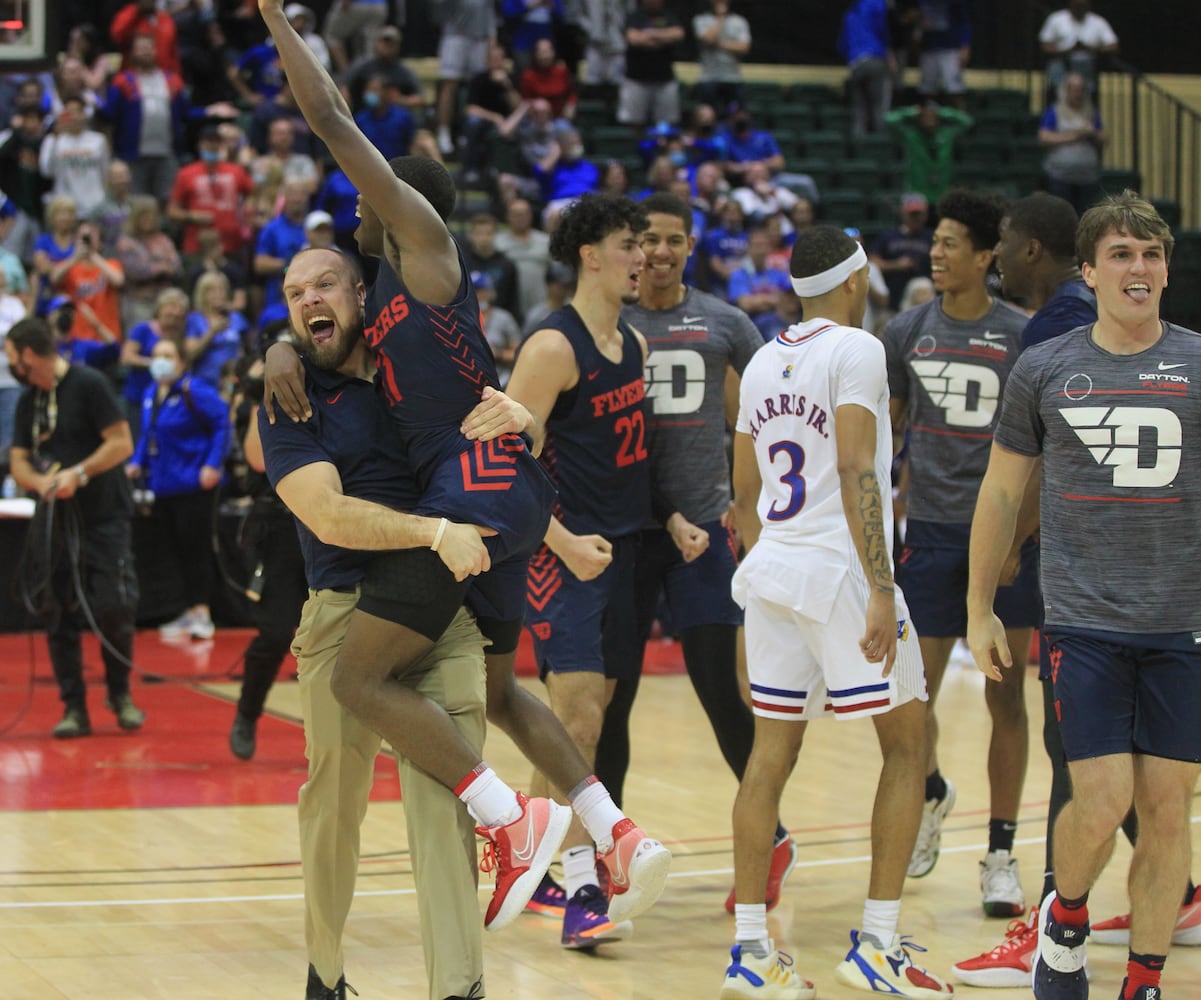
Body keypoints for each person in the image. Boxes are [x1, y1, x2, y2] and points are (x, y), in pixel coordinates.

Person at [258, 0, 670, 940]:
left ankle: (509, 822)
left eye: (367, 201)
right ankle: (615, 831)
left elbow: (328, 119)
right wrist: (272, 347)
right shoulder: (393, 295)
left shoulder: (424, 253)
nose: (355, 210)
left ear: (396, 208)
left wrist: (280, 23)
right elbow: (345, 351)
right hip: (505, 492)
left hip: (472, 495)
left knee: (360, 682)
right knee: (493, 690)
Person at [950, 193, 1201, 987]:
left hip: (1182, 626)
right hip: (1084, 622)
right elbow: (996, 495)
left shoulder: (1197, 364)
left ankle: (1144, 977)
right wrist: (979, 606)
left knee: (1166, 810)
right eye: (1121, 255)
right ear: (1087, 271)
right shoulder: (1046, 367)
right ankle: (1064, 918)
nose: (1139, 268)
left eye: (1151, 254)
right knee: (1100, 798)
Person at [720, 225, 949, 999]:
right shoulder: (857, 349)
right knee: (909, 745)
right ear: (854, 282)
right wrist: (881, 588)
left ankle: (752, 953)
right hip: (841, 572)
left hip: (773, 570)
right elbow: (856, 466)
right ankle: (877, 946)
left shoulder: (758, 359)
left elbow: (743, 495)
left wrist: (758, 567)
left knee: (767, 761)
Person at [258, 250, 494, 999]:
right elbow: (325, 515)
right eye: (294, 293)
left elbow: (501, 456)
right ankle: (325, 975)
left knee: (446, 804)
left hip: (435, 612)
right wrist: (430, 531)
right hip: (343, 615)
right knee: (333, 805)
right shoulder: (286, 397)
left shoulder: (415, 368)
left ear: (363, 292)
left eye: (323, 284)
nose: (308, 300)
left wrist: (520, 415)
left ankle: (460, 988)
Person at [593, 193, 799, 914]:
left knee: (719, 690)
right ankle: (608, 852)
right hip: (626, 530)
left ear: (689, 246)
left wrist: (758, 500)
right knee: (613, 695)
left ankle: (770, 836)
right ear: (629, 246)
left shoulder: (724, 321)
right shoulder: (604, 321)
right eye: (645, 239)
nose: (657, 251)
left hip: (704, 536)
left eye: (672, 240)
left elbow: (781, 390)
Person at [504, 192, 672, 948]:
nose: (643, 257)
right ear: (589, 256)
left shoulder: (630, 344)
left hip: (626, 554)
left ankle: (536, 861)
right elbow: (497, 471)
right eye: (628, 244)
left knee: (587, 723)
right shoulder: (551, 349)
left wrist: (669, 519)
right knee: (574, 720)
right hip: (561, 557)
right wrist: (563, 540)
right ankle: (579, 895)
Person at [882, 189, 1033, 914]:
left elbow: (1041, 448)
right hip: (933, 533)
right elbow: (886, 433)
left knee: (1007, 697)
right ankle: (931, 788)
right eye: (933, 243)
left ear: (984, 256)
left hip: (1003, 539)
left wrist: (1019, 536)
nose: (935, 254)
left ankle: (1000, 851)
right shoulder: (906, 330)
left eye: (949, 244)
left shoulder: (1023, 335)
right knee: (913, 694)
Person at [6, 317, 143, 738]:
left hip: (103, 514)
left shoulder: (89, 384)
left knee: (114, 605)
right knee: (56, 608)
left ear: (30, 355)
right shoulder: (30, 399)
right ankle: (73, 706)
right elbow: (18, 461)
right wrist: (40, 481)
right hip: (56, 518)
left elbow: (121, 443)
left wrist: (78, 475)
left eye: (12, 357)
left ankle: (119, 694)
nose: (10, 365)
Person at [127, 338, 229, 641]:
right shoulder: (150, 393)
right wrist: (136, 462)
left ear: (181, 362)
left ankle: (203, 612)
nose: (161, 360)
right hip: (164, 486)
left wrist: (212, 464)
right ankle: (189, 609)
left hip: (193, 486)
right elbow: (149, 434)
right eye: (156, 355)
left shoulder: (193, 390)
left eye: (168, 355)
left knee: (195, 550)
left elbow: (222, 422)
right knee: (177, 552)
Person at [432, 0, 496, 156]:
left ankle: (468, 133)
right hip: (455, 36)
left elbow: (489, 14)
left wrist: (492, 42)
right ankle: (444, 133)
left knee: (476, 87)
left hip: (480, 39)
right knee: (449, 86)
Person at [1039, 73, 1107, 217]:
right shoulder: (1055, 111)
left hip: (1087, 178)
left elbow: (1104, 137)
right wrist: (1075, 135)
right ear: (1066, 90)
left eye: (1081, 89)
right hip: (1060, 177)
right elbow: (1044, 137)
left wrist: (1092, 134)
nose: (1078, 93)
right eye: (1074, 89)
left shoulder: (1091, 112)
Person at [618, 0, 684, 127]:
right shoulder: (634, 16)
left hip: (664, 80)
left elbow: (678, 34)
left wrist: (650, 34)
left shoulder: (669, 16)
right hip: (636, 79)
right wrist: (663, 38)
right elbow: (633, 39)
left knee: (666, 125)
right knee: (633, 123)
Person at [1038, 0, 1118, 98]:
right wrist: (1068, 51)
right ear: (1070, 4)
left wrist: (1090, 49)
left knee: (1087, 97)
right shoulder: (1056, 19)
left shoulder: (1098, 22)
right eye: (1076, 5)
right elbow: (1045, 45)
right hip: (1062, 66)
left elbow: (1113, 46)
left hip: (1087, 68)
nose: (1079, 8)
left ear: (1088, 5)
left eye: (1082, 5)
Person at [871, 193, 934, 312]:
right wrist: (896, 265)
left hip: (922, 302)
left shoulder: (931, 238)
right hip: (892, 303)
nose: (916, 218)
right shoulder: (889, 236)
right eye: (912, 214)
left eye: (919, 214)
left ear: (926, 215)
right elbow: (872, 262)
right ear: (903, 213)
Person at [840, 0, 894, 136]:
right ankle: (881, 142)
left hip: (855, 63)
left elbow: (842, 45)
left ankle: (860, 143)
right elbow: (882, 30)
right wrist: (889, 54)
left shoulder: (850, 13)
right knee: (880, 108)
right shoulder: (877, 4)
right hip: (875, 58)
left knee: (859, 110)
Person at [692, 0, 751, 112]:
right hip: (708, 79)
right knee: (707, 115)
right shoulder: (701, 20)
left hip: (733, 78)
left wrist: (719, 44)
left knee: (736, 114)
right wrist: (721, 18)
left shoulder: (739, 21)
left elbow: (744, 47)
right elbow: (707, 39)